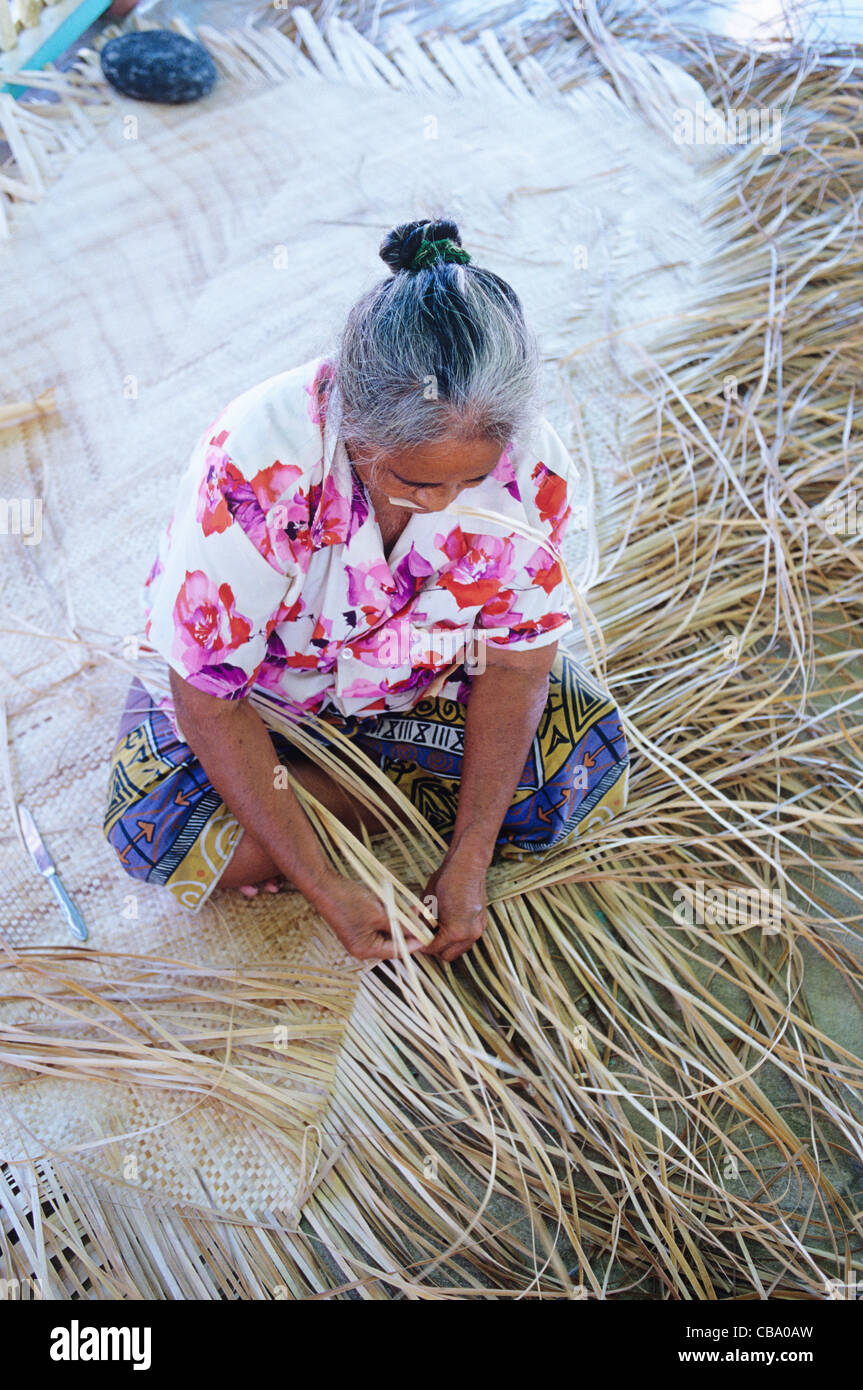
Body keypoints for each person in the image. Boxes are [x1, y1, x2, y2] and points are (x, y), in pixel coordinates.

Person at [103, 218, 628, 963]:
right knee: (153, 831)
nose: (445, 504)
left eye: (469, 481)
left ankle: (335, 800)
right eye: (415, 482)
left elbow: (516, 667)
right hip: (263, 702)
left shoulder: (533, 473)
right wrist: (321, 884)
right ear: (351, 422)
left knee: (580, 769)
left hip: (416, 691)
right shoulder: (260, 459)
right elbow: (208, 700)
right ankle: (364, 798)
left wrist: (470, 857)